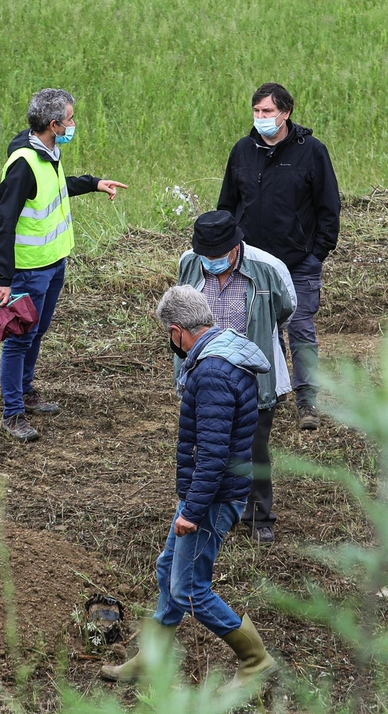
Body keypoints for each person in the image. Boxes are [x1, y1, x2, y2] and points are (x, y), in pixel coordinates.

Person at [100, 286, 277, 691]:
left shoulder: (213, 372)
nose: (170, 342)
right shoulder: (227, 352)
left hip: (212, 499)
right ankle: (153, 656)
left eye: (169, 335)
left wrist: (191, 512)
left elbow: (213, 455)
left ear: (178, 331)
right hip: (209, 492)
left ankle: (254, 660)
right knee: (168, 568)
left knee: (189, 589)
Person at [0, 88, 127, 442]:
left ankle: (25, 390)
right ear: (53, 124)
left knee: (37, 331)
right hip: (30, 270)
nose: (73, 124)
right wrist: (4, 279)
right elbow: (5, 223)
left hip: (54, 263)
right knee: (19, 339)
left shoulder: (47, 150)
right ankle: (12, 413)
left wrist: (94, 183)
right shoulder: (23, 164)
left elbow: (55, 189)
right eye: (69, 119)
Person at [217, 82, 340, 429]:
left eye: (267, 112)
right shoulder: (242, 150)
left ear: (285, 113)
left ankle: (307, 401)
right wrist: (230, 247)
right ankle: (270, 393)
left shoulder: (312, 152)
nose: (261, 118)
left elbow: (329, 207)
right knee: (259, 329)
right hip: (252, 262)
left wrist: (317, 253)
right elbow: (227, 204)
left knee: (300, 328)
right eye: (256, 112)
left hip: (299, 261)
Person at [177, 210, 295, 544]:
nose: (211, 261)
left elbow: (286, 310)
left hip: (248, 376)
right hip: (205, 375)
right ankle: (210, 510)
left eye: (218, 255)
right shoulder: (189, 262)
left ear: (235, 247)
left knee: (253, 446)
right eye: (206, 256)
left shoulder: (268, 268)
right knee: (207, 445)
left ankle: (259, 515)